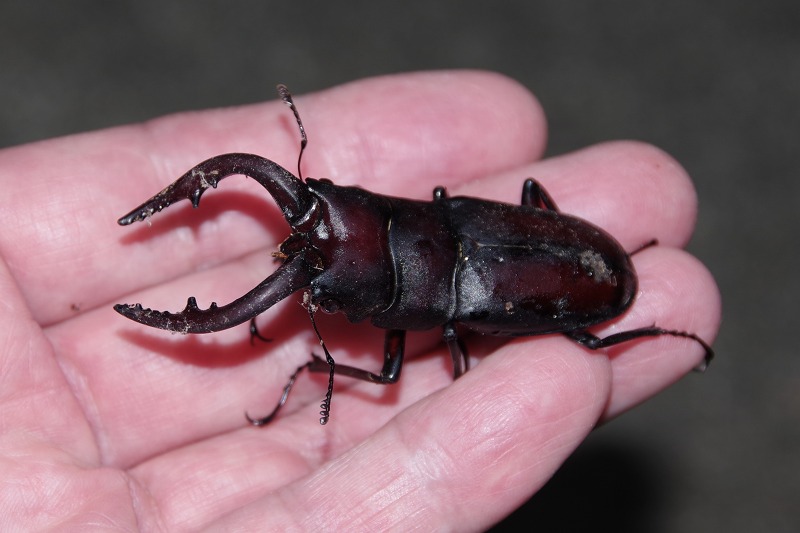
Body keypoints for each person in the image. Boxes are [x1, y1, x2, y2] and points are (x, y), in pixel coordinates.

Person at [0, 71, 719, 530]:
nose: (316, 239)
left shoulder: (454, 255)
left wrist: (309, 361)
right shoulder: (451, 211)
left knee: (582, 344)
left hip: (576, 278)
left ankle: (661, 331)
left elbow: (384, 363)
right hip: (527, 250)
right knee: (495, 322)